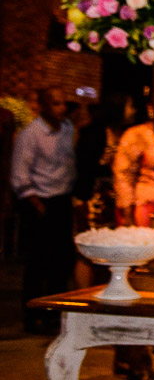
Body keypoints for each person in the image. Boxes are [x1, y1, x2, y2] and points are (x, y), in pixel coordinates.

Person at [10, 88, 77, 334]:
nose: (61, 108)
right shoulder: (32, 134)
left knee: (61, 261)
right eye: (55, 103)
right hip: (39, 201)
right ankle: (33, 316)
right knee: (38, 262)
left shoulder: (68, 129)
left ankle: (53, 315)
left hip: (62, 199)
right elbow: (19, 176)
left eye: (63, 103)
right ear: (43, 105)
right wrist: (38, 206)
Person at [112, 100, 154, 226]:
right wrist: (127, 210)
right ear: (150, 108)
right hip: (146, 205)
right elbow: (123, 174)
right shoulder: (137, 134)